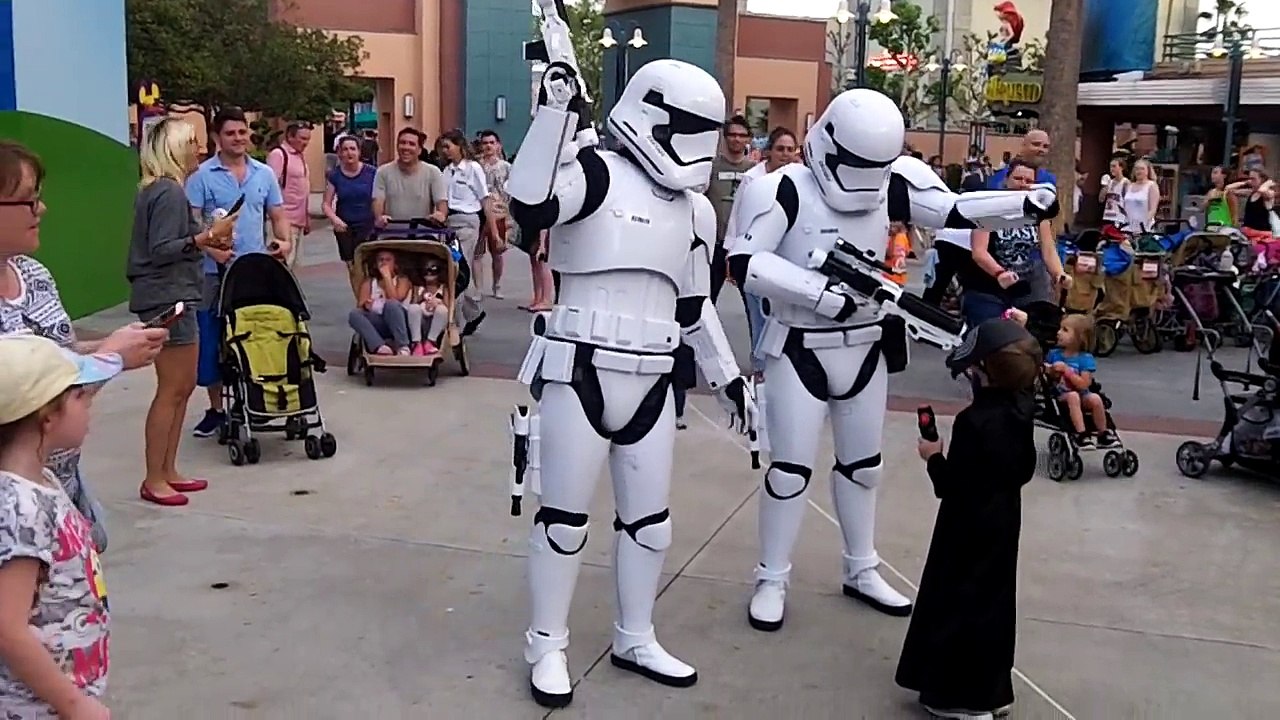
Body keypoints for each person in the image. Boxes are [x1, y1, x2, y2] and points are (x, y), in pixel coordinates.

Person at [726, 88, 1058, 633]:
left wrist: (1023, 203)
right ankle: (772, 576)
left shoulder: (892, 180)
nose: (865, 176)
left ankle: (861, 566)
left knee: (863, 466)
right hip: (798, 343)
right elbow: (743, 260)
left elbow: (952, 208)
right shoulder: (780, 189)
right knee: (789, 470)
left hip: (864, 340)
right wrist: (815, 293)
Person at [506, 50, 755, 709]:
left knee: (650, 524)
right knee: (562, 519)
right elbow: (530, 205)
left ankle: (635, 634)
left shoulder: (696, 211)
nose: (697, 149)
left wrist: (729, 379)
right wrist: (554, 112)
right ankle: (546, 643)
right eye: (687, 130)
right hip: (579, 365)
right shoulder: (594, 172)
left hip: (652, 376)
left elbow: (694, 306)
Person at [0, 139, 167, 551]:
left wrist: (109, 347)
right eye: (28, 200)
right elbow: (26, 396)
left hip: (62, 485)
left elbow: (59, 354)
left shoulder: (34, 274)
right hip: (15, 513)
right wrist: (111, 358)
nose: (42, 210)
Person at [895, 318, 1040, 720]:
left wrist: (933, 456)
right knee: (993, 602)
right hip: (1004, 520)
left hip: (966, 524)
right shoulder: (1022, 407)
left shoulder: (974, 422)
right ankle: (992, 689)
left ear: (983, 374)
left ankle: (964, 700)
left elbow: (952, 485)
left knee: (959, 601)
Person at [0, 334, 121, 719]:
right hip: (34, 707)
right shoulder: (22, 507)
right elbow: (7, 626)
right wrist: (72, 704)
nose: (90, 408)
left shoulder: (43, 481)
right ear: (47, 416)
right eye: (80, 397)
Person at [128, 118, 237, 507]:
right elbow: (162, 248)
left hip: (176, 293)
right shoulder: (169, 193)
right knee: (172, 389)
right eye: (192, 143)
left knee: (182, 387)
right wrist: (208, 235)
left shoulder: (162, 190)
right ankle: (156, 476)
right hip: (168, 295)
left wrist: (206, 240)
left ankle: (167, 470)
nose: (200, 149)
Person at [186, 106, 293, 440]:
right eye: (230, 133)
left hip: (253, 270)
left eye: (242, 132)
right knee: (211, 339)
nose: (238, 138)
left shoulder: (263, 174)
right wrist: (210, 248)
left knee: (253, 336)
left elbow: (277, 214)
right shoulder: (201, 177)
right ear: (218, 137)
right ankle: (216, 409)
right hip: (211, 273)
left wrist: (284, 241)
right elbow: (191, 224)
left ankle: (251, 401)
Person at [965, 160, 1070, 327]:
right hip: (989, 286)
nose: (1023, 184)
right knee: (994, 334)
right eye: (1018, 178)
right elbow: (979, 252)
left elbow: (1048, 250)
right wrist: (999, 273)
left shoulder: (1037, 212)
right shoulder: (989, 208)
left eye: (1028, 181)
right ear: (1006, 179)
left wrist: (1059, 274)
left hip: (1026, 285)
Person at [704, 115, 756, 303]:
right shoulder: (711, 167)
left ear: (748, 139)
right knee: (707, 300)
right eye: (732, 134)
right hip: (715, 245)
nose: (737, 139)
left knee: (752, 303)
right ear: (725, 137)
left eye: (742, 135)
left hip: (743, 247)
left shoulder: (755, 171)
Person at [1046, 314, 1116, 448]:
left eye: (1065, 330)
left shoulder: (1085, 359)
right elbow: (1046, 374)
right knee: (1073, 396)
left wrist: (1067, 371)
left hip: (1081, 393)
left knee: (1095, 398)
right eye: (1060, 329)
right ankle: (1081, 433)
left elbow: (1084, 384)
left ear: (1079, 338)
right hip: (1062, 395)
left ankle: (1103, 433)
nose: (1058, 332)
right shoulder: (1054, 354)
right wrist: (1050, 370)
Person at [323, 135, 377, 282]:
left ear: (359, 152)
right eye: (345, 149)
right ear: (339, 153)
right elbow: (326, 204)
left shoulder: (372, 173)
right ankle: (359, 299)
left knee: (366, 266)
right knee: (352, 267)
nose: (349, 153)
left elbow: (380, 198)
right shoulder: (335, 175)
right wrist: (335, 220)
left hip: (367, 225)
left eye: (352, 149)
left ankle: (368, 298)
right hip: (345, 226)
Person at [373, 127, 448, 226]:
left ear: (420, 150)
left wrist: (440, 215)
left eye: (411, 144)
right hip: (391, 235)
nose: (406, 147)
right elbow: (377, 201)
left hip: (424, 236)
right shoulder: (383, 172)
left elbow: (441, 203)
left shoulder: (433, 172)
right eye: (402, 143)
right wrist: (379, 217)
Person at [348, 249, 415, 356]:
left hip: (401, 324)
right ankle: (380, 346)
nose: (384, 263)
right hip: (380, 323)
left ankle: (403, 346)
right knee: (354, 314)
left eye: (388, 260)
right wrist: (367, 305)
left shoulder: (402, 280)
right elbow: (361, 305)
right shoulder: (369, 282)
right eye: (380, 260)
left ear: (395, 264)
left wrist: (387, 277)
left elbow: (395, 299)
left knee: (391, 304)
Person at [266, 121, 312, 269]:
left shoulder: (299, 157)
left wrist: (306, 217)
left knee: (294, 266)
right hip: (284, 220)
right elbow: (270, 186)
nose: (305, 143)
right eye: (302, 138)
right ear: (290, 137)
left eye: (307, 139)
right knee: (281, 265)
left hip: (299, 220)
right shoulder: (279, 155)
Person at [476, 129, 511, 299]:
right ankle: (477, 287)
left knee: (497, 251)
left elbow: (511, 192)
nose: (488, 146)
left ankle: (497, 284)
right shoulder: (476, 166)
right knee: (477, 251)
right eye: (485, 143)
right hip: (478, 211)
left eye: (492, 142)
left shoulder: (506, 167)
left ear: (498, 145)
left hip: (498, 212)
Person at [409, 258, 451, 354]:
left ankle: (430, 342)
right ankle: (417, 343)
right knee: (413, 308)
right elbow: (414, 302)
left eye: (433, 269)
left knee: (443, 310)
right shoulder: (418, 287)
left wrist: (438, 302)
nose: (429, 273)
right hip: (421, 322)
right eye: (425, 269)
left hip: (437, 322)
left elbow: (448, 307)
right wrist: (422, 296)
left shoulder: (443, 288)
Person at [987, 130, 1055, 188]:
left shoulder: (1049, 180)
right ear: (1023, 146)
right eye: (1036, 144)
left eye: (1045, 146)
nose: (1041, 149)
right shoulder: (998, 177)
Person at [1121, 158, 1160, 234]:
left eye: (1142, 169)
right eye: (1137, 169)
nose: (1139, 171)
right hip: (1127, 226)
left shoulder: (1151, 186)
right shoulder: (1129, 186)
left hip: (1144, 227)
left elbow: (1153, 209)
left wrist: (1143, 225)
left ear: (1147, 171)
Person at [1098, 157, 1129, 228]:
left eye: (1114, 166)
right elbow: (1101, 199)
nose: (1112, 169)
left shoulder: (1125, 182)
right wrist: (1105, 186)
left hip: (1119, 218)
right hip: (1107, 216)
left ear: (1121, 168)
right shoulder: (1109, 182)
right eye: (1110, 166)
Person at [885, 220, 912, 285]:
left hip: (895, 276)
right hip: (898, 276)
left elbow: (899, 255)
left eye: (893, 226)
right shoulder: (900, 237)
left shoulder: (900, 237)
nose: (890, 228)